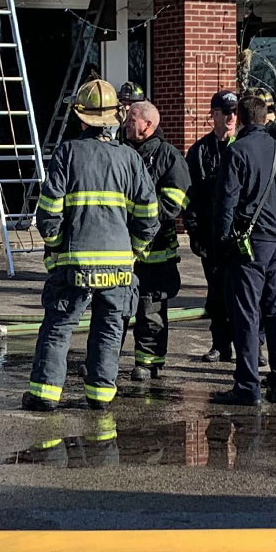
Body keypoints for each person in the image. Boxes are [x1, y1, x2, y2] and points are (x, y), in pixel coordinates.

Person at [25, 79, 159, 412]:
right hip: (119, 268)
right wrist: (134, 251)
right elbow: (148, 214)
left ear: (81, 117)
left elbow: (49, 211)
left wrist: (56, 246)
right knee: (109, 329)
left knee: (59, 327)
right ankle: (100, 395)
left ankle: (45, 394)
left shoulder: (67, 153)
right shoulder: (130, 158)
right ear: (115, 116)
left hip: (75, 264)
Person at [211, 93, 276, 406]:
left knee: (246, 315)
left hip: (250, 245)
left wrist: (221, 243)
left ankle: (247, 386)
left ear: (242, 119)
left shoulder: (237, 152)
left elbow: (226, 202)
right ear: (265, 118)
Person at [120, 100, 190, 380]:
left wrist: (139, 215)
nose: (126, 123)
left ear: (148, 124)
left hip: (156, 250)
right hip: (121, 247)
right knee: (115, 307)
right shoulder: (120, 151)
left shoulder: (168, 156)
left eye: (131, 119)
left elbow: (174, 202)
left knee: (151, 307)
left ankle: (148, 363)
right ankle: (105, 360)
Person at [183, 91, 239, 362]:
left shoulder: (244, 146)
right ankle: (220, 344)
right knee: (217, 293)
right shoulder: (199, 151)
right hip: (211, 236)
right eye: (225, 112)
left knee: (245, 294)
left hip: (240, 235)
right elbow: (189, 196)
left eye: (235, 112)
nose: (231, 117)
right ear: (214, 115)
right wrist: (194, 232)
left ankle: (252, 345)